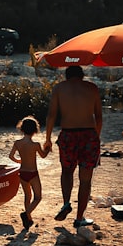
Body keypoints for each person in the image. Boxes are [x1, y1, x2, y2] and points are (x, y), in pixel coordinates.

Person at [44, 65, 103, 229]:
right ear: (82, 75)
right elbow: (98, 117)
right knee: (85, 179)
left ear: (66, 76)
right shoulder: (92, 88)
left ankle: (66, 203)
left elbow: (51, 115)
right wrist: (95, 138)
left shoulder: (59, 88)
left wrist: (48, 139)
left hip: (68, 134)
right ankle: (79, 218)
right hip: (88, 135)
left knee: (67, 171)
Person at [9, 116, 50, 230]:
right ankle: (26, 214)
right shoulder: (35, 145)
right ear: (35, 130)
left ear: (22, 129)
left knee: (27, 196)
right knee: (37, 197)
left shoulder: (17, 143)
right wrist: (47, 148)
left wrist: (18, 161)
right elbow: (43, 155)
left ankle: (28, 220)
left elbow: (11, 156)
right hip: (33, 173)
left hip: (22, 173)